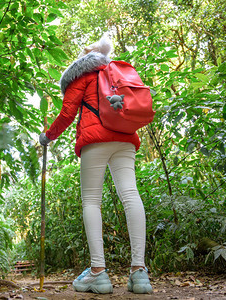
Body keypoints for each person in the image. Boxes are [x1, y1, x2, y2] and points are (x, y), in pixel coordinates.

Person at [39, 36, 153, 294]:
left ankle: (98, 273)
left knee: (92, 201)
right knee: (131, 195)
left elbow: (67, 113)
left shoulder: (83, 76)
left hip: (95, 140)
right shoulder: (115, 74)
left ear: (84, 58)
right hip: (125, 139)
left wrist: (48, 136)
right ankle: (139, 273)